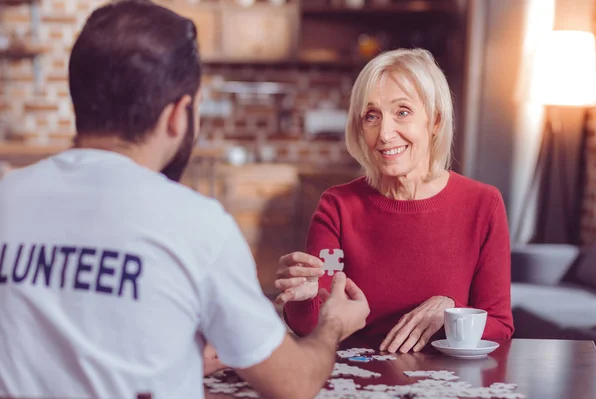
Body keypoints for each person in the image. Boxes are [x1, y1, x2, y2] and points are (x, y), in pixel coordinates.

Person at [0, 1, 370, 398]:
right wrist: (332, 324)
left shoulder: (7, 197)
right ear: (179, 114)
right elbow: (294, 383)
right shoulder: (197, 225)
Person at [275, 48, 514, 354]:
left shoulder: (483, 204)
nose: (385, 134)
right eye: (372, 116)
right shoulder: (338, 206)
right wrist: (304, 296)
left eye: (402, 112)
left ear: (435, 120)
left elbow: (500, 325)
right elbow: (311, 324)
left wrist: (451, 313)